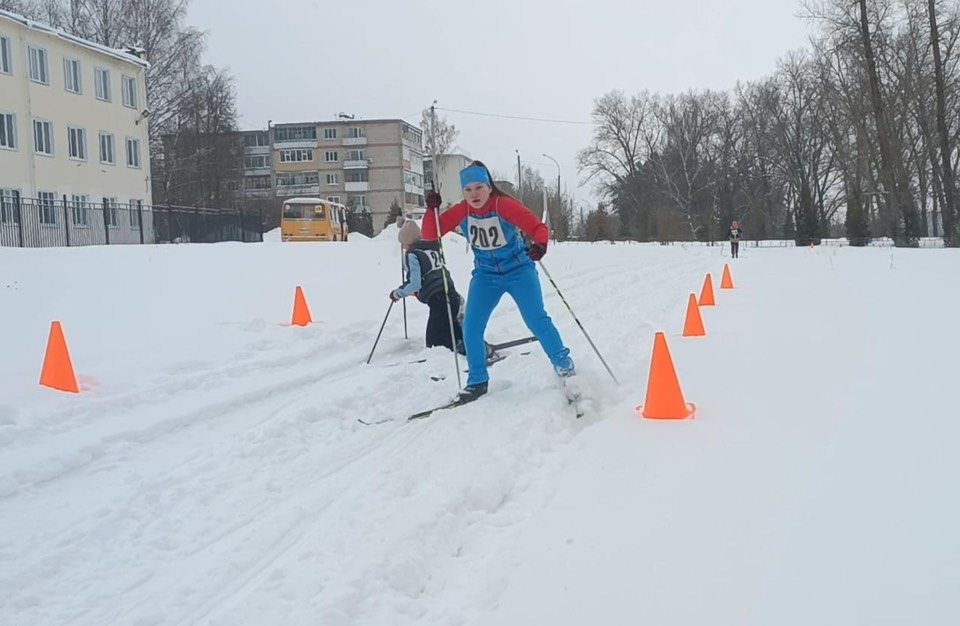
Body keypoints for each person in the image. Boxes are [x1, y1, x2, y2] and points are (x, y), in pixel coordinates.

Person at [421, 160, 575, 402]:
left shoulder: (503, 205)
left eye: (479, 188)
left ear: (489, 187)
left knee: (536, 319)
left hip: (519, 270)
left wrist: (540, 245)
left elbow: (537, 227)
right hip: (486, 275)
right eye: (468, 189)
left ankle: (565, 367)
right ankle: (477, 382)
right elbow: (430, 234)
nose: (474, 195)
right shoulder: (463, 211)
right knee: (471, 326)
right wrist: (432, 210)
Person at [390, 218, 464, 353]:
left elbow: (415, 283)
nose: (403, 247)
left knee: (435, 341)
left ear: (407, 241)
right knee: (450, 328)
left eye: (403, 244)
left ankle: (452, 355)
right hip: (450, 291)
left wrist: (397, 293)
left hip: (437, 298)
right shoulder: (431, 246)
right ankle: (469, 346)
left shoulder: (413, 254)